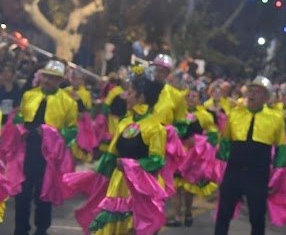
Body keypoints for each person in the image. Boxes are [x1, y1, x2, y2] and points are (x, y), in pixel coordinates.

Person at [88, 68, 168, 235]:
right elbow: (111, 155)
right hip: (119, 185)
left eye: (130, 93)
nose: (126, 96)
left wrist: (129, 165)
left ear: (141, 97)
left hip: (142, 188)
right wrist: (93, 178)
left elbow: (156, 161)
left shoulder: (156, 128)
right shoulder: (125, 122)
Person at [214, 75, 286, 235]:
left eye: (258, 92)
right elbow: (225, 145)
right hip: (234, 172)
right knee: (223, 214)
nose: (252, 94)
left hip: (258, 175)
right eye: (251, 91)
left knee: (257, 217)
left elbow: (282, 150)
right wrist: (220, 172)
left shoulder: (276, 118)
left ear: (266, 98)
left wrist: (275, 179)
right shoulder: (235, 114)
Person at [13, 60, 78, 235]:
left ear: (60, 81)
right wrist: (19, 125)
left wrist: (52, 134)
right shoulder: (29, 95)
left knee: (44, 194)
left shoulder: (68, 103)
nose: (47, 80)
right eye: (46, 76)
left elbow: (72, 131)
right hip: (27, 150)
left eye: (53, 78)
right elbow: (20, 117)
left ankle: (42, 229)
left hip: (49, 156)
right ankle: (20, 229)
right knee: (22, 193)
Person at [169, 88, 218, 227]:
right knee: (175, 187)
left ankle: (188, 213)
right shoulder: (178, 113)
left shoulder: (205, 115)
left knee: (189, 189)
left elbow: (213, 136)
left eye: (194, 96)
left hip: (192, 157)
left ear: (199, 99)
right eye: (188, 96)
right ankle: (177, 217)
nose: (190, 98)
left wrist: (197, 141)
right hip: (177, 154)